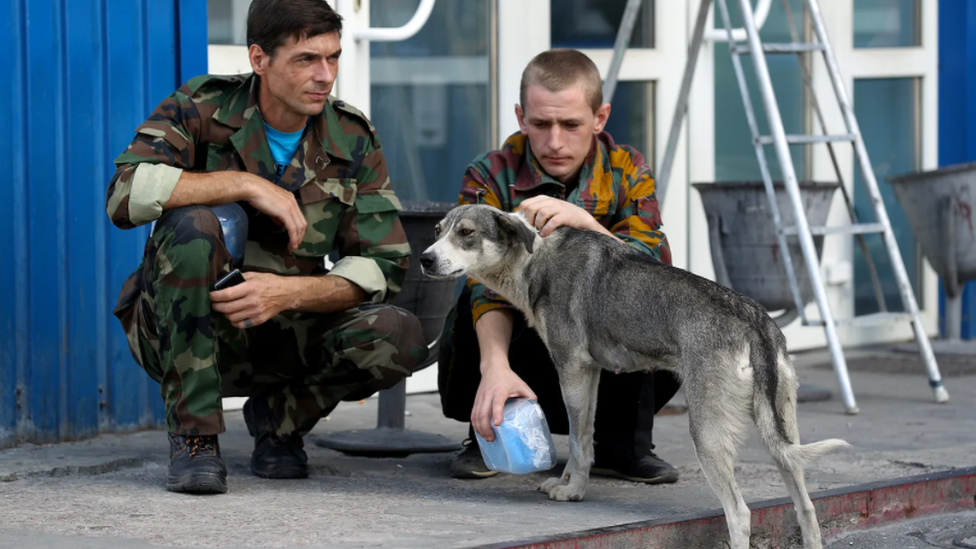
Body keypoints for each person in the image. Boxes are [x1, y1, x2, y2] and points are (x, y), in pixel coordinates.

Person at [105, 0, 427, 495]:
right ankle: (195, 439)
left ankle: (279, 425)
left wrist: (287, 293)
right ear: (259, 59)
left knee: (400, 332)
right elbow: (124, 194)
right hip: (190, 326)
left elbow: (384, 265)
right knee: (191, 226)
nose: (325, 76)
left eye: (333, 58)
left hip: (286, 330)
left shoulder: (351, 136)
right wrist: (243, 184)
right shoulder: (202, 107)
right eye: (306, 60)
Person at [438, 49, 682, 484]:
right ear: (520, 116)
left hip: (609, 346)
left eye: (570, 125)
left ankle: (622, 445)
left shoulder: (627, 171)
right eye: (540, 124)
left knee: (665, 314)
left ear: (599, 117)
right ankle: (488, 431)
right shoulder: (491, 174)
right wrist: (494, 366)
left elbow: (654, 274)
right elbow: (480, 285)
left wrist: (586, 224)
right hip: (523, 350)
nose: (554, 141)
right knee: (473, 302)